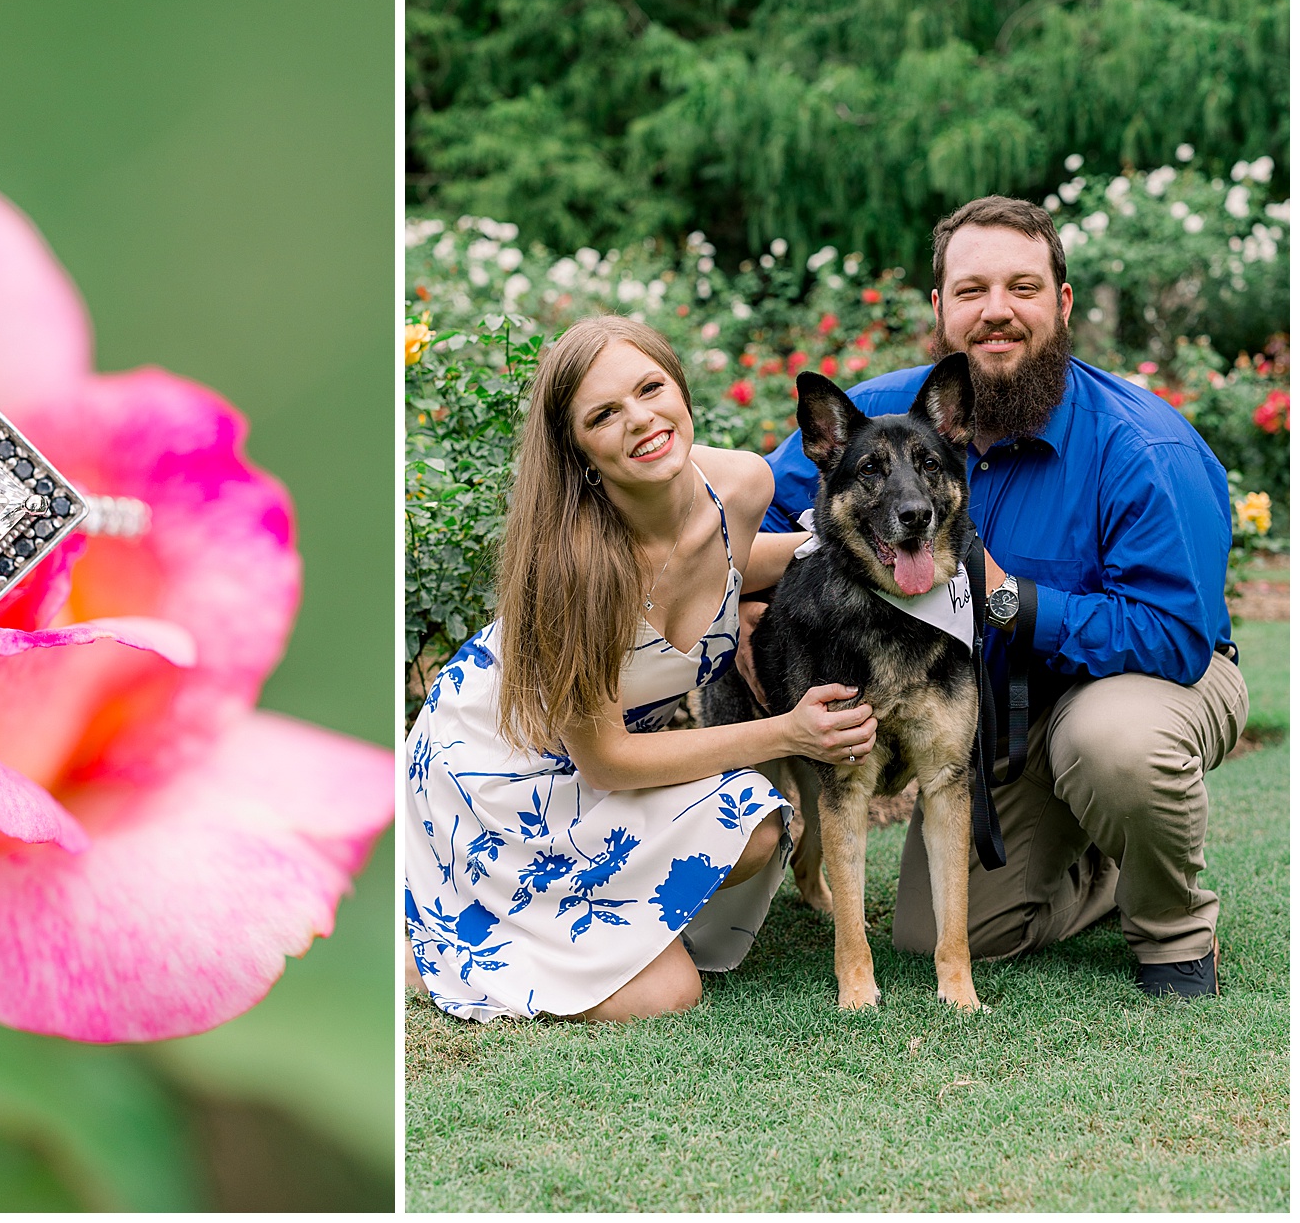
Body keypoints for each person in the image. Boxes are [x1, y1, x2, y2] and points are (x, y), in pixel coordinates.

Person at [753, 195, 1247, 999]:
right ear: (941, 308)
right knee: (943, 934)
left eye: (1022, 288)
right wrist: (753, 611)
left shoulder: (1145, 448)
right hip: (994, 713)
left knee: (1114, 744)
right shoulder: (889, 418)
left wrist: (1009, 601)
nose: (996, 312)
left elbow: (1175, 636)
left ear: (1062, 302)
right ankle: (1092, 864)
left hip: (1142, 683)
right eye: (972, 290)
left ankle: (1172, 930)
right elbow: (764, 510)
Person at [404, 315, 877, 1022]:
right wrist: (787, 732)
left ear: (680, 389)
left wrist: (850, 548)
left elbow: (726, 565)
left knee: (755, 829)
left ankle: (594, 923)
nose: (640, 419)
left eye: (651, 388)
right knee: (668, 995)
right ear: (579, 453)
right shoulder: (573, 570)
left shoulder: (740, 488)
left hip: (595, 769)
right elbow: (609, 761)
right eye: (603, 415)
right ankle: (430, 945)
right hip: (498, 772)